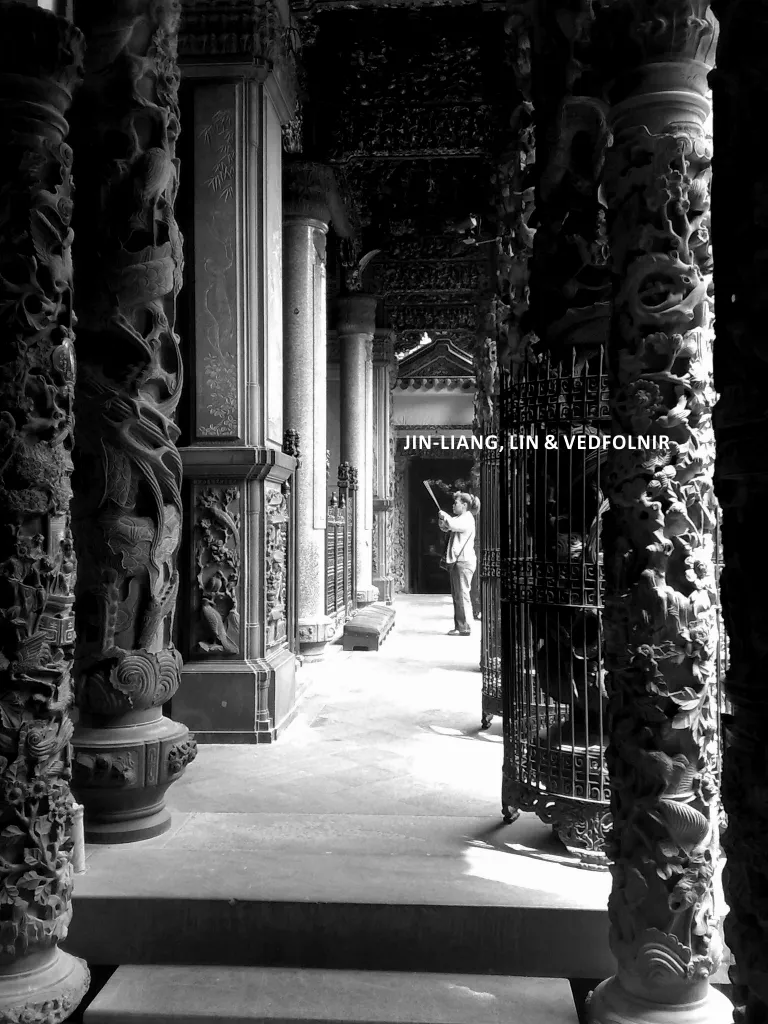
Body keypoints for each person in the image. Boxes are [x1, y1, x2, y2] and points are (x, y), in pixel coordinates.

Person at [438, 492, 480, 636]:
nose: (453, 505)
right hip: (459, 561)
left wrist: (445, 516)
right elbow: (446, 527)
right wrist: (442, 519)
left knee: (462, 595)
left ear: (464, 505)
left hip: (463, 561)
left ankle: (465, 627)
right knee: (458, 595)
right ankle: (460, 626)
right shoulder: (460, 518)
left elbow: (452, 524)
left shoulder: (467, 519)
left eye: (456, 503)